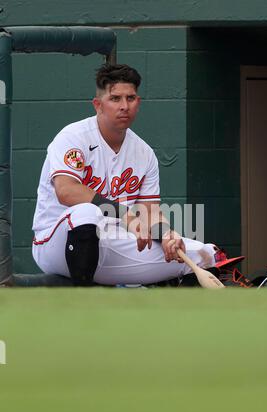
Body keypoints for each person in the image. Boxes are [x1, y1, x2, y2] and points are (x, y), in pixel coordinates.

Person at [32, 63, 222, 286]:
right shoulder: (73, 137)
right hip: (56, 244)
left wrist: (167, 234)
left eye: (130, 98)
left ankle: (168, 316)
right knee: (86, 213)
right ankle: (82, 304)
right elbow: (66, 191)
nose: (124, 106)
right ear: (98, 105)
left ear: (138, 103)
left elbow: (149, 212)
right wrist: (125, 215)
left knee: (202, 253)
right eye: (115, 99)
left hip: (112, 245)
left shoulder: (144, 153)